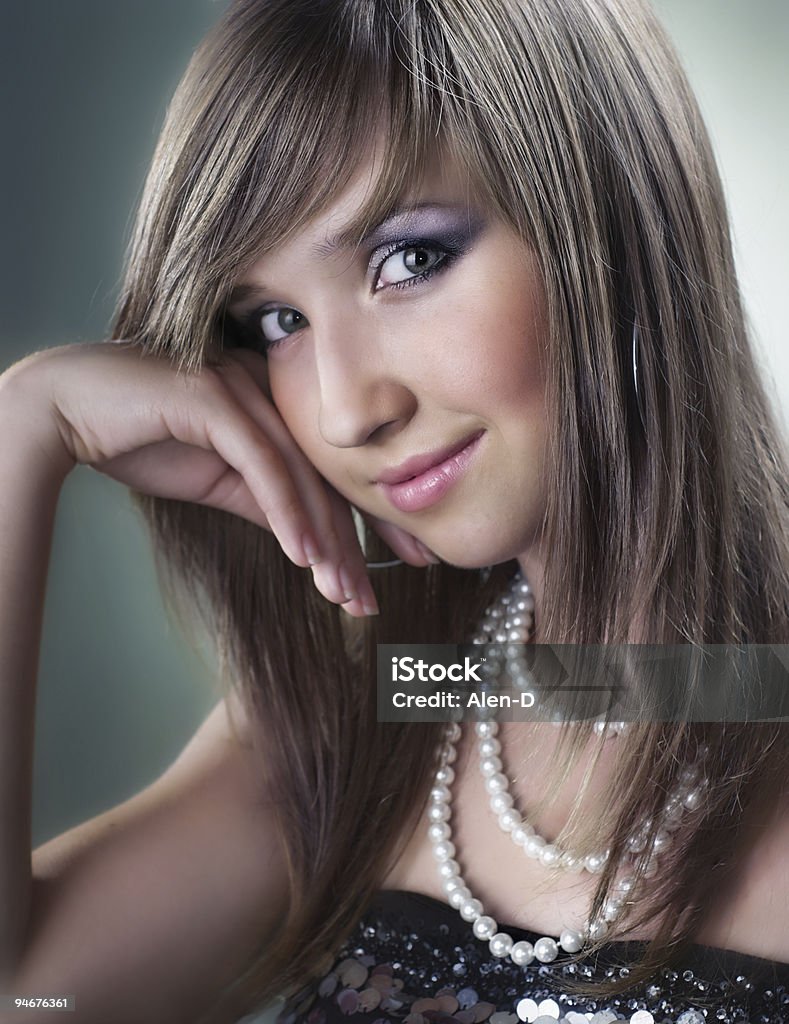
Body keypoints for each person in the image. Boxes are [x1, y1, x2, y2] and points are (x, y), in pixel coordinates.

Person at [1, 1, 787, 1023]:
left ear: (610, 214)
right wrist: (25, 427)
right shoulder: (384, 717)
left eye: (408, 259)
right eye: (274, 321)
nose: (345, 408)